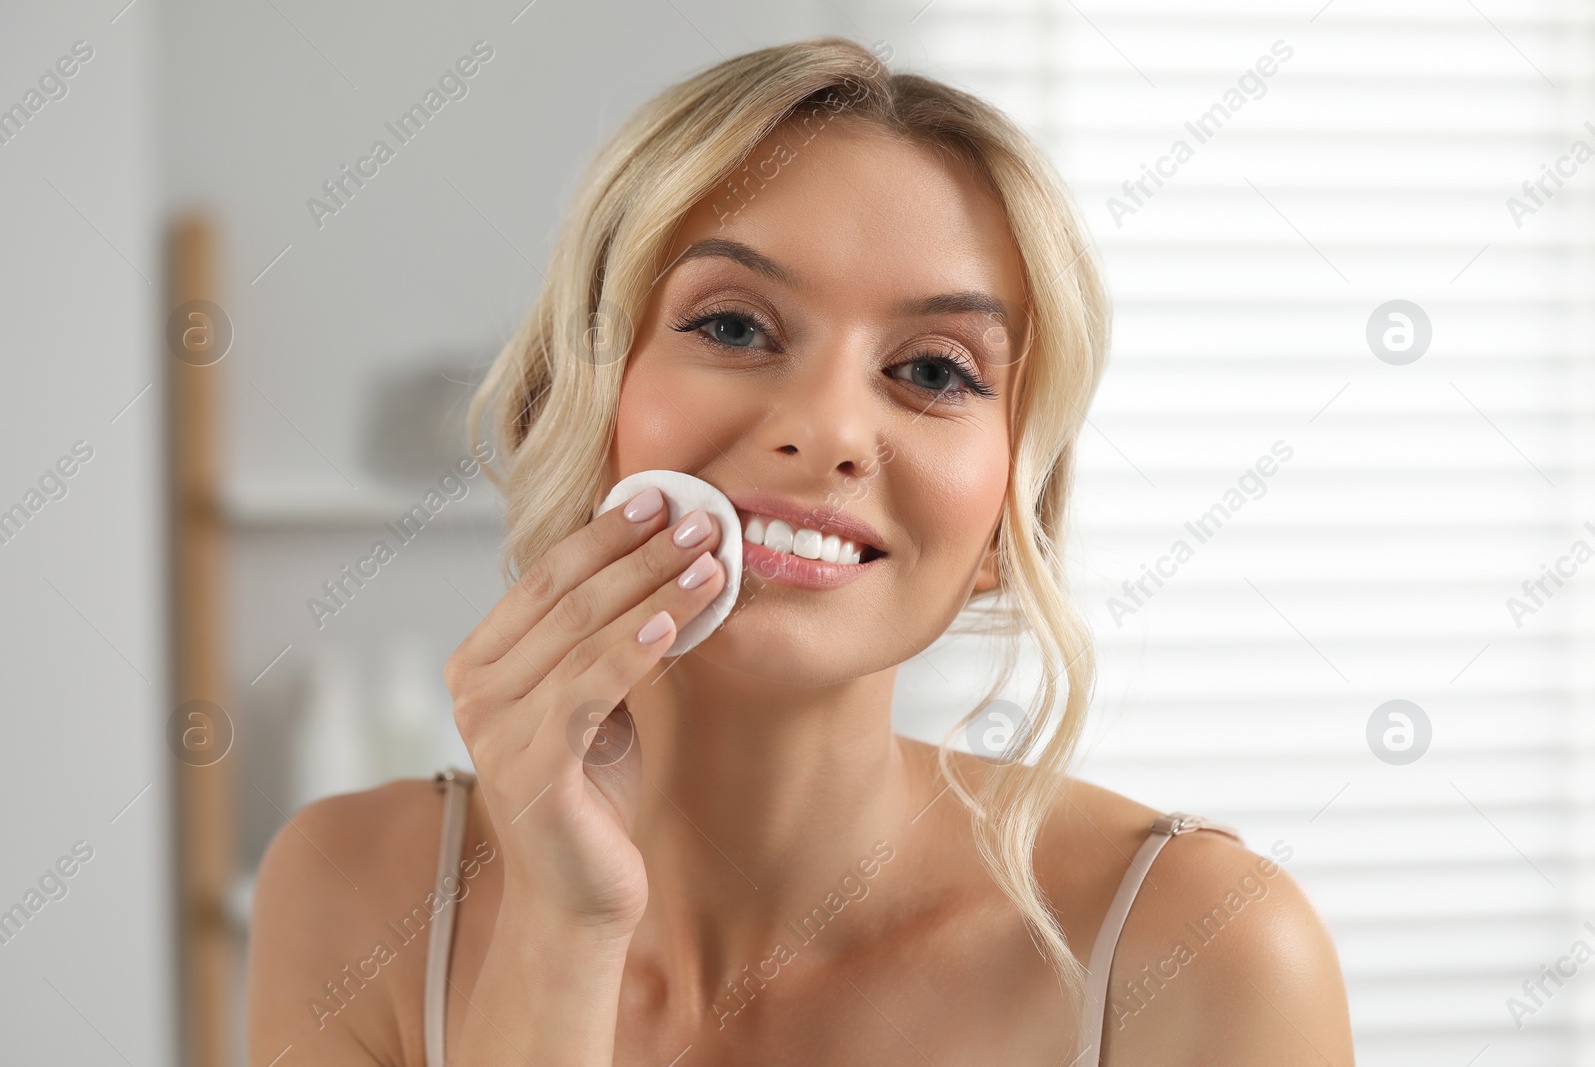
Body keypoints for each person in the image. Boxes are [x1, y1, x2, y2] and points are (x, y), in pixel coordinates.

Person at [246, 36, 1353, 1066]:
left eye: (933, 371)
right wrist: (562, 931)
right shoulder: (353, 893)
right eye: (732, 325)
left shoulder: (1205, 947)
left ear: (1010, 528)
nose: (824, 430)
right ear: (569, 410)